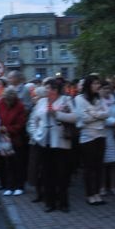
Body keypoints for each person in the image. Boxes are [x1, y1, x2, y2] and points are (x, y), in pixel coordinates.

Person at [28, 79, 77, 212]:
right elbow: (33, 120)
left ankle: (63, 203)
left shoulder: (65, 100)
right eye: (48, 88)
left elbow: (74, 117)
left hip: (61, 143)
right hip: (44, 143)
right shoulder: (41, 102)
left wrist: (57, 114)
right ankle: (50, 202)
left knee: (62, 174)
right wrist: (35, 134)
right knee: (47, 174)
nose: (49, 91)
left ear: (57, 89)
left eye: (52, 88)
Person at [75, 75, 109, 206]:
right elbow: (84, 118)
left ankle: (97, 193)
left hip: (101, 136)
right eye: (95, 84)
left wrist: (93, 113)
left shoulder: (98, 98)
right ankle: (90, 194)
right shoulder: (79, 99)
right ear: (89, 85)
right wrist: (98, 115)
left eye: (98, 84)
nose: (98, 86)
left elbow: (107, 113)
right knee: (89, 168)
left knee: (99, 166)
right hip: (88, 137)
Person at [0, 86, 26, 196]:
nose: (8, 103)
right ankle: (9, 186)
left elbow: (20, 124)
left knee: (17, 162)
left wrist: (8, 129)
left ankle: (19, 186)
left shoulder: (20, 106)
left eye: (10, 101)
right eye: (6, 100)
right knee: (7, 163)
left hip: (16, 138)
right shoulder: (1, 102)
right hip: (4, 138)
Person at [98, 81, 115, 196]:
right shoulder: (97, 102)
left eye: (108, 88)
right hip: (103, 134)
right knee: (104, 163)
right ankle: (103, 187)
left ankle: (114, 187)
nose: (107, 90)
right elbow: (100, 116)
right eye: (104, 88)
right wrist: (113, 122)